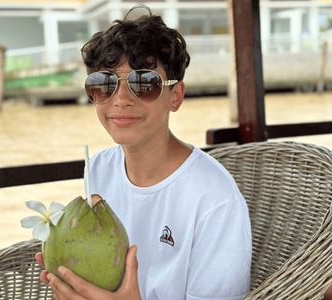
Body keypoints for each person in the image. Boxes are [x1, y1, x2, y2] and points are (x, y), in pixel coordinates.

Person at [36, 5, 252, 300]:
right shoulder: (98, 167)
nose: (121, 100)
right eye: (104, 84)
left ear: (175, 96)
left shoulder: (214, 198)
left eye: (144, 83)